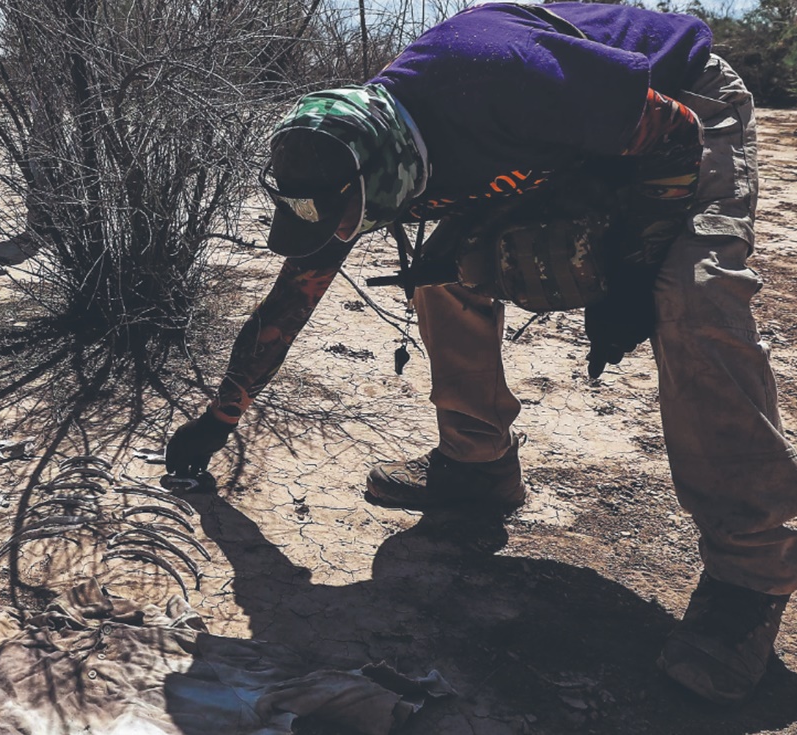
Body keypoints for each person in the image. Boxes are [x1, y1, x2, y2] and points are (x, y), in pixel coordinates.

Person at [164, 1, 797, 706]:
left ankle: (750, 573)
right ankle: (475, 464)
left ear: (403, 171)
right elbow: (293, 296)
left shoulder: (501, 77)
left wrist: (634, 263)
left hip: (675, 105)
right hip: (566, 134)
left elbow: (673, 135)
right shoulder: (349, 148)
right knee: (440, 271)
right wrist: (218, 420)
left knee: (693, 295)